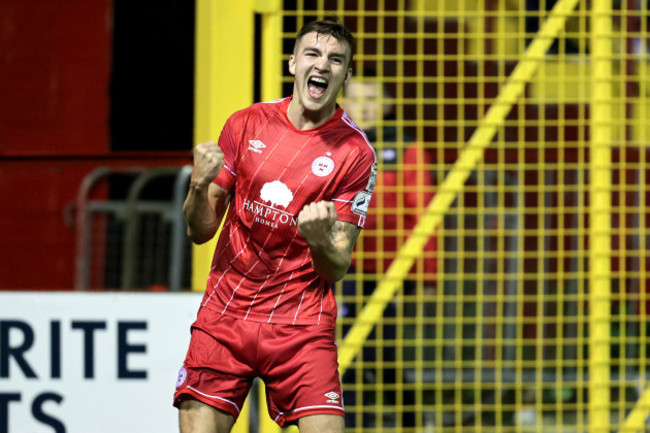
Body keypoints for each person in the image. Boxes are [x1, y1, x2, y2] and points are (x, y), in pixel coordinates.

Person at [173, 18, 377, 433]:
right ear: (293, 63)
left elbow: (336, 266)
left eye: (336, 60)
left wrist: (320, 240)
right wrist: (197, 186)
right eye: (313, 54)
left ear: (346, 75)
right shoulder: (246, 124)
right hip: (226, 314)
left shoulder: (356, 153)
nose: (323, 65)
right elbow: (199, 231)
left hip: (301, 324)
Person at [340, 72, 437, 428]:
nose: (364, 107)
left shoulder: (407, 149)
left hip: (389, 273)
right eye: (357, 99)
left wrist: (426, 276)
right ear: (344, 103)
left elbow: (425, 216)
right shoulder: (330, 144)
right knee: (350, 350)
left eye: (373, 100)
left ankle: (407, 420)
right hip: (340, 267)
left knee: (378, 352)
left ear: (388, 106)